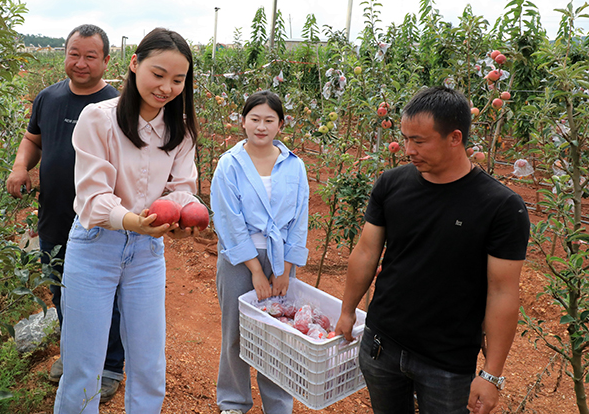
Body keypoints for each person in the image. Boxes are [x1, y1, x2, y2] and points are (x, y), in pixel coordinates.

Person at [334, 87, 530, 414]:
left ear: (455, 138)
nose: (408, 149)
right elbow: (366, 252)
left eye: (419, 141)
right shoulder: (392, 184)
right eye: (405, 138)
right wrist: (347, 310)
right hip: (382, 345)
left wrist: (491, 374)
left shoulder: (501, 207)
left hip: (448, 363)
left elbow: (502, 292)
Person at [52, 27, 200, 414]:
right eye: (158, 74)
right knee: (84, 366)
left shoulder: (179, 131)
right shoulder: (98, 119)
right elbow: (93, 196)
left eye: (178, 79)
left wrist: (183, 219)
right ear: (134, 65)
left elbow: (182, 189)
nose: (167, 87)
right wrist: (133, 220)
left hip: (147, 251)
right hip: (95, 246)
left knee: (149, 363)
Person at [6, 24, 124, 402]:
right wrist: (20, 166)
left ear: (107, 60)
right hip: (54, 212)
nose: (81, 63)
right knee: (60, 286)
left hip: (99, 219)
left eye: (91, 56)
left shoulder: (117, 106)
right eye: (74, 53)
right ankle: (75, 356)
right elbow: (33, 139)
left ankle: (109, 365)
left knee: (106, 293)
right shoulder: (48, 98)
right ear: (64, 54)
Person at [211, 90, 310, 414]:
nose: (261, 126)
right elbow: (228, 220)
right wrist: (255, 270)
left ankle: (279, 405)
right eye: (254, 119)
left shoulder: (294, 166)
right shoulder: (229, 165)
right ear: (243, 121)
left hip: (280, 260)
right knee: (235, 331)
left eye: (269, 120)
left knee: (279, 334)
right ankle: (233, 403)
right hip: (240, 260)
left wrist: (284, 270)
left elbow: (300, 217)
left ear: (281, 124)